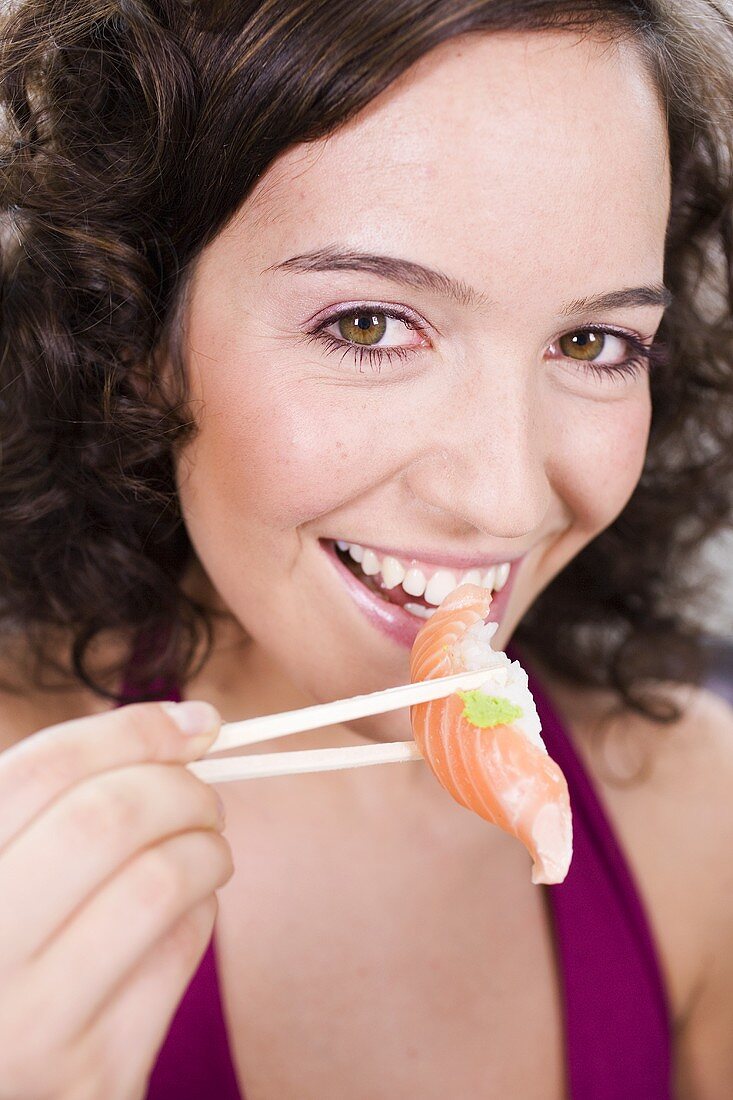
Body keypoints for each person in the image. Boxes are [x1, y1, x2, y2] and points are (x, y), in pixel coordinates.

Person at [1, 0, 732, 1096]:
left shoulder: (694, 808)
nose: (501, 497)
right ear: (138, 328)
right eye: (367, 324)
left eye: (593, 341)